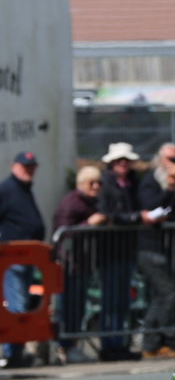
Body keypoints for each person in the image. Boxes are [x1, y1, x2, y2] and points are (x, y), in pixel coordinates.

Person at [136, 143, 175, 358]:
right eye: (170, 160)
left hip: (169, 246)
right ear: (160, 159)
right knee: (166, 293)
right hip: (150, 246)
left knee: (163, 295)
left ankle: (154, 343)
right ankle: (161, 340)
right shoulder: (151, 180)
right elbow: (151, 207)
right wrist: (169, 190)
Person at [97, 142, 154, 360]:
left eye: (126, 161)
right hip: (110, 250)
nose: (124, 164)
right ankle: (108, 344)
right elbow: (107, 214)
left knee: (122, 300)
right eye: (119, 161)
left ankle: (120, 342)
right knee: (110, 300)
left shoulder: (131, 184)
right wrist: (135, 218)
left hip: (127, 249)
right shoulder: (106, 184)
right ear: (112, 163)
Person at [51, 164, 108, 364]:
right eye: (92, 183)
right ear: (82, 184)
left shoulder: (92, 202)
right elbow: (63, 232)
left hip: (82, 263)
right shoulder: (71, 203)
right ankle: (65, 347)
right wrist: (89, 224)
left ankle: (71, 345)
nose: (96, 186)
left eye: (99, 183)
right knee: (68, 308)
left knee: (78, 308)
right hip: (69, 265)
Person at [0, 151, 45, 368]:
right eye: (25, 166)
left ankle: (16, 351)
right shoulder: (7, 189)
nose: (29, 170)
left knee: (24, 305)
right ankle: (12, 353)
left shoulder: (25, 189)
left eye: (32, 166)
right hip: (12, 260)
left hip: (29, 259)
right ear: (15, 166)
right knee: (16, 306)